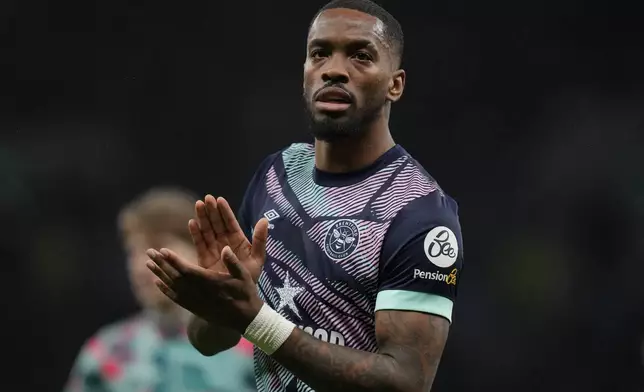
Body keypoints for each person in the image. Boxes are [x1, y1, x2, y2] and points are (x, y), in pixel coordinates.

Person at [146, 0, 464, 391]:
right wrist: (220, 302)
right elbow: (209, 341)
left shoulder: (420, 212)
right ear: (305, 72)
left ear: (394, 85)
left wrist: (256, 320)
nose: (333, 69)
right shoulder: (274, 176)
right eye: (320, 54)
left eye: (360, 56)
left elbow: (405, 381)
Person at [64, 188, 256, 392]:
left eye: (156, 247)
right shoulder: (106, 353)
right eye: (133, 252)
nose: (139, 266)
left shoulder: (253, 348)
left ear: (202, 250)